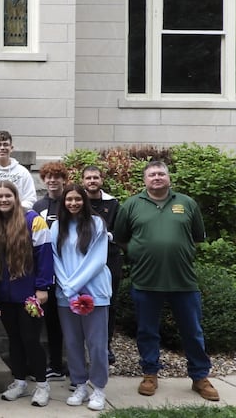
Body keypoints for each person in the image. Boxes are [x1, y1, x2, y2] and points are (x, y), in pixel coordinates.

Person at [113, 161, 219, 402]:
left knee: (192, 331)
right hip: (145, 280)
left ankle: (200, 377)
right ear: (145, 180)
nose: (157, 177)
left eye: (161, 173)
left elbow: (197, 238)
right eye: (152, 174)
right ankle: (150, 374)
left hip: (183, 281)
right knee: (147, 331)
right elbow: (121, 239)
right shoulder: (131, 205)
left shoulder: (187, 203)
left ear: (169, 178)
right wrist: (140, 252)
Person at [0, 180, 54, 407]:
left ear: (16, 198)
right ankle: (19, 381)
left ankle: (42, 385)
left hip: (30, 295)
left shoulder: (33, 221)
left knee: (31, 340)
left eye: (8, 195)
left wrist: (42, 287)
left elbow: (45, 255)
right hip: (5, 296)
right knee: (14, 340)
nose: (4, 200)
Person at [51, 184, 112, 411]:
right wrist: (67, 288)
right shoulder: (58, 227)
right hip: (66, 296)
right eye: (69, 200)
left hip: (94, 292)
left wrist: (73, 285)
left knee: (96, 344)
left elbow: (97, 260)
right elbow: (54, 258)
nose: (73, 203)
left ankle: (98, 388)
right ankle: (79, 384)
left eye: (78, 199)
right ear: (63, 202)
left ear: (84, 201)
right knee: (73, 342)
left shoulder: (97, 224)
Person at [33, 161, 70, 380]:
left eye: (57, 177)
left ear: (64, 179)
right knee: (44, 321)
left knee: (59, 321)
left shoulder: (71, 202)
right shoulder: (38, 206)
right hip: (44, 271)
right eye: (48, 177)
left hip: (67, 271)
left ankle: (58, 365)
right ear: (44, 180)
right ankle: (44, 364)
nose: (53, 180)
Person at [82, 165, 122, 363]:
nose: (92, 181)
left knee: (109, 304)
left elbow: (121, 232)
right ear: (83, 181)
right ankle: (83, 347)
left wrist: (104, 235)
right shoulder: (77, 202)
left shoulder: (113, 204)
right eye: (88, 178)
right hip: (83, 261)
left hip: (109, 260)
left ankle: (105, 347)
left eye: (95, 177)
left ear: (101, 180)